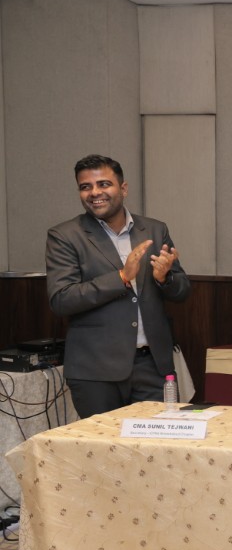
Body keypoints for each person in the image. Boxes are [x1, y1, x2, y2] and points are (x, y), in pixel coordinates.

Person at [45, 154, 192, 418]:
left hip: (153, 366)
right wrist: (122, 277)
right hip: (95, 372)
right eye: (85, 187)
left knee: (157, 442)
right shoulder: (65, 236)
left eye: (104, 184)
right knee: (102, 444)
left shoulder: (155, 230)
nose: (94, 192)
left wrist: (165, 278)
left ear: (123, 189)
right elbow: (62, 299)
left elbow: (182, 291)